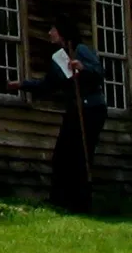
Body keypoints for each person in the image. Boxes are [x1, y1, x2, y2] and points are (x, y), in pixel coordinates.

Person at [9, 16, 106, 213]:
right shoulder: (58, 58)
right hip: (75, 108)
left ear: (61, 31)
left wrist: (82, 67)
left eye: (52, 29)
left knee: (81, 155)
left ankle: (80, 201)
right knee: (62, 154)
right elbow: (47, 85)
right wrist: (22, 85)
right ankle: (61, 200)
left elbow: (99, 72)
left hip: (91, 109)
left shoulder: (80, 50)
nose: (49, 33)